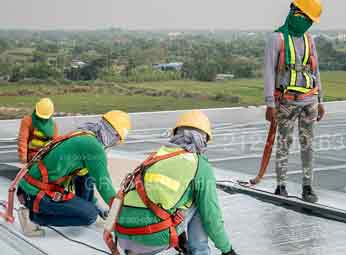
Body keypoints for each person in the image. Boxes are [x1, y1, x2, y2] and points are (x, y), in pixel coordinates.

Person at [107, 110, 238, 255]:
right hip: (150, 237)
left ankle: (182, 246)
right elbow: (211, 217)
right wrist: (227, 250)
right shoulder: (199, 165)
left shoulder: (157, 156)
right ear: (203, 139)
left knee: (179, 197)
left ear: (176, 134)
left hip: (123, 239)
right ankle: (199, 252)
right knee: (202, 203)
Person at [17, 110, 131, 237]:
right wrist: (120, 215)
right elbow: (104, 184)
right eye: (117, 141)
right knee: (90, 215)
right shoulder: (94, 148)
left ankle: (85, 208)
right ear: (115, 135)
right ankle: (32, 216)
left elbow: (85, 178)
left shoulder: (84, 133)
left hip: (31, 186)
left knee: (86, 175)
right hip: (33, 192)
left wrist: (99, 207)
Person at [264, 0, 325, 202]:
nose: (307, 23)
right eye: (305, 18)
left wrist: (321, 100)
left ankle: (308, 187)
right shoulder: (277, 38)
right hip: (286, 102)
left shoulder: (309, 39)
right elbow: (269, 72)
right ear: (295, 13)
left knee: (308, 145)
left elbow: (315, 70)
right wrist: (270, 104)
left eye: (310, 20)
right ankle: (281, 185)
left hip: (310, 101)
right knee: (284, 144)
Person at [18, 98, 58, 163]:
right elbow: (23, 140)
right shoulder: (28, 121)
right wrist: (23, 157)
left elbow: (56, 143)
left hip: (47, 155)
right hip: (33, 156)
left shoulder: (53, 125)